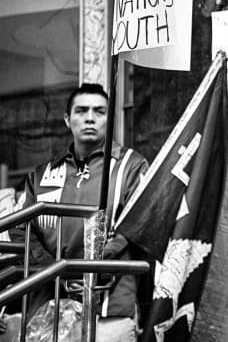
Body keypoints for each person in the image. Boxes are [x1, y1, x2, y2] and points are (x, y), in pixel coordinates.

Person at [11, 83, 148, 342]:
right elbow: (21, 230)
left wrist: (89, 267)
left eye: (99, 111)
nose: (89, 118)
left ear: (110, 119)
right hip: (48, 304)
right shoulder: (42, 175)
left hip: (110, 304)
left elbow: (138, 224)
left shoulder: (132, 166)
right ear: (67, 119)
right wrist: (54, 271)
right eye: (81, 110)